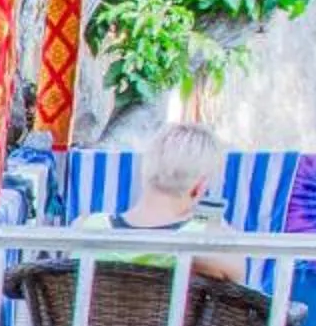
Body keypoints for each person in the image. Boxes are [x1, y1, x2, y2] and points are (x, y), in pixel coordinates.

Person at [74, 120, 246, 283]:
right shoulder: (203, 241)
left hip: (97, 314)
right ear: (199, 188)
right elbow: (239, 274)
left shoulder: (86, 228)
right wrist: (214, 228)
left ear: (145, 171)